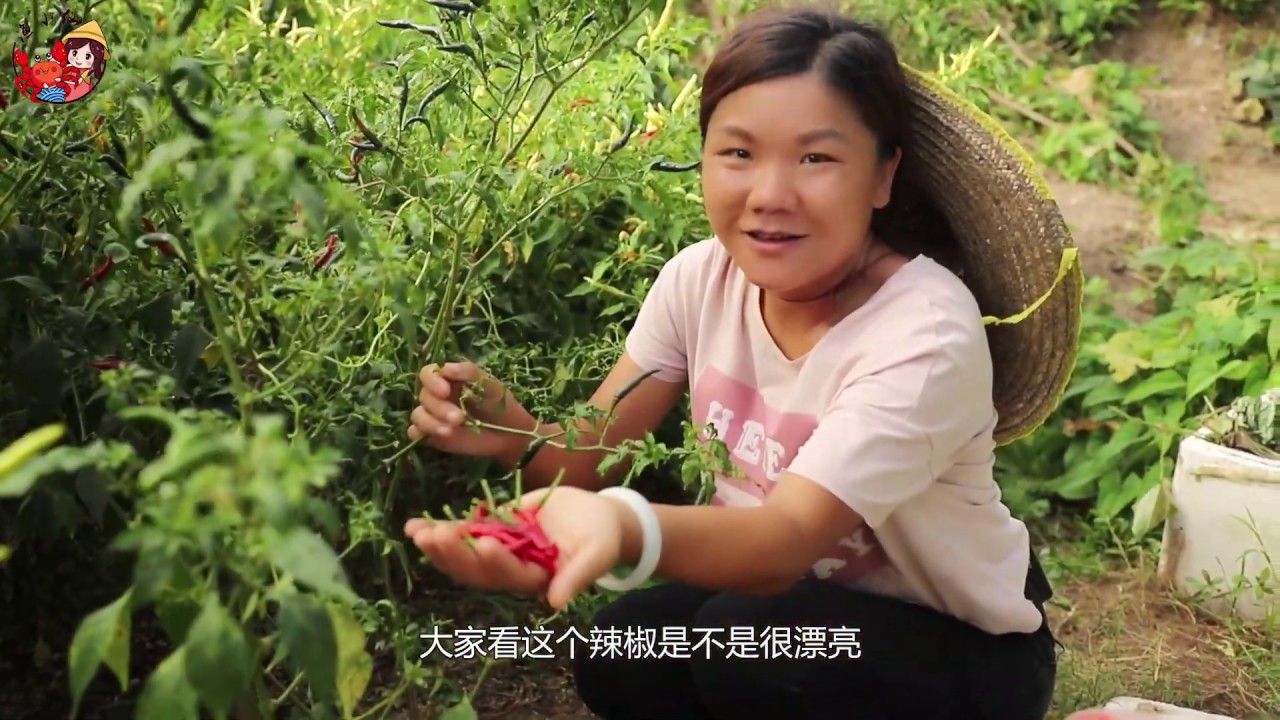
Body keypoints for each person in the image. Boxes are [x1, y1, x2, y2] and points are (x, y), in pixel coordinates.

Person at [404, 5, 1083, 719]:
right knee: (624, 648)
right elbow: (590, 458)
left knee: (747, 645)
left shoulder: (923, 330)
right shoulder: (698, 281)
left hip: (959, 652)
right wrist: (510, 432)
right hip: (783, 614)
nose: (769, 196)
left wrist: (624, 527)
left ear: (884, 176)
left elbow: (782, 542)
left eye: (816, 159)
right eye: (738, 153)